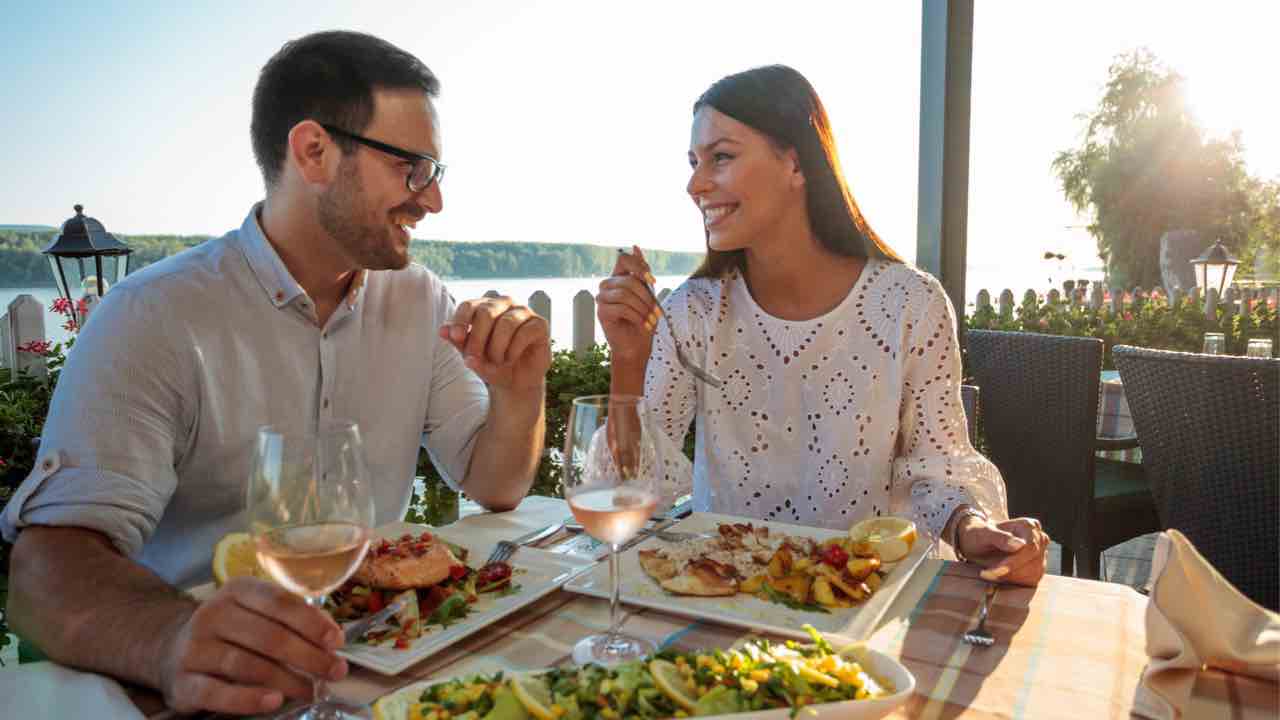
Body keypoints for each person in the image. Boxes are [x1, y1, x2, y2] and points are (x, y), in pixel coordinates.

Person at [1, 31, 550, 715]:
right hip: (211, 692)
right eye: (413, 168)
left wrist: (519, 388)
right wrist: (174, 639)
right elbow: (45, 572)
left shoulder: (421, 302)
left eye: (437, 173)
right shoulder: (152, 316)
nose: (432, 201)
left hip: (388, 664)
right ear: (314, 152)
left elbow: (495, 485)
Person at [597, 65, 1049, 588]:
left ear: (795, 162)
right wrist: (628, 359)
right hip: (721, 593)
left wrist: (974, 529)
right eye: (694, 162)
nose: (695, 184)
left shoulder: (910, 304)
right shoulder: (694, 311)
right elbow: (629, 493)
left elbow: (936, 467)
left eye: (720, 157)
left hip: (863, 599)